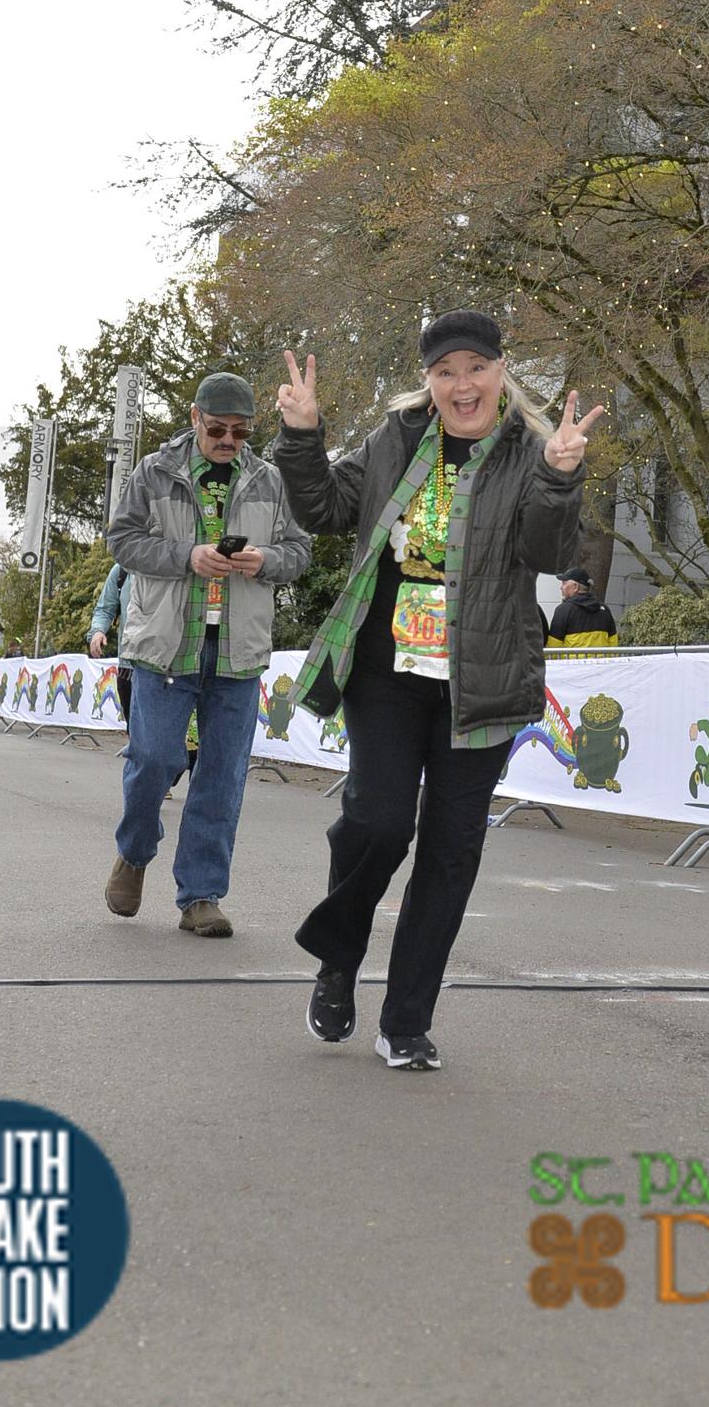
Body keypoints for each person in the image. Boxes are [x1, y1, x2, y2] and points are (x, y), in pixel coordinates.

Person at [273, 309, 602, 1074]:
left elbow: (548, 551)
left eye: (476, 369)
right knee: (378, 822)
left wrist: (559, 476)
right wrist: (302, 436)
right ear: (427, 379)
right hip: (386, 668)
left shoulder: (529, 451)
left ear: (499, 372)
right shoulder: (394, 440)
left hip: (482, 677)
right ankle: (338, 957)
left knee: (451, 852)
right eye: (446, 371)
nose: (462, 386)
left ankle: (406, 1021)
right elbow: (324, 510)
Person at [103, 371, 312, 937]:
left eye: (240, 432)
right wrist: (187, 556)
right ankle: (134, 852)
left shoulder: (269, 480)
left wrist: (265, 561)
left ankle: (200, 896)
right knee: (153, 761)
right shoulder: (154, 471)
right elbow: (121, 541)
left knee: (221, 778)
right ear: (195, 418)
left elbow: (299, 552)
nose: (228, 441)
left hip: (237, 653)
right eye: (218, 429)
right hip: (165, 648)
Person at [88, 561, 134, 724]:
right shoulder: (122, 570)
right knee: (134, 729)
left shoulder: (169, 565)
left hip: (163, 667)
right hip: (129, 666)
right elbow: (105, 609)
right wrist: (98, 631)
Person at [548, 567, 618, 648]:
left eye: (564, 583)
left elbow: (553, 646)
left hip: (572, 657)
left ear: (575, 587)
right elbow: (613, 643)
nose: (561, 587)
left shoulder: (563, 610)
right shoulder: (604, 609)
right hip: (601, 657)